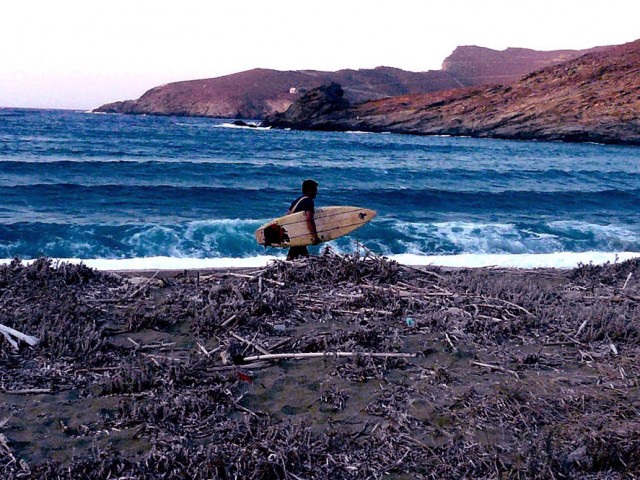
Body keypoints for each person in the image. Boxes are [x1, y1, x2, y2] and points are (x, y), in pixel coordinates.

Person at [286, 179, 320, 260]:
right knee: (298, 255)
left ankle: (285, 269)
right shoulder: (309, 201)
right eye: (315, 190)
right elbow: (309, 219)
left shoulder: (297, 201)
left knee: (297, 254)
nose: (316, 193)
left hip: (293, 233)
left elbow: (287, 215)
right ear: (310, 191)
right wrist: (315, 237)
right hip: (299, 233)